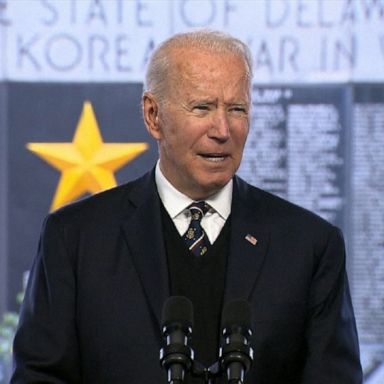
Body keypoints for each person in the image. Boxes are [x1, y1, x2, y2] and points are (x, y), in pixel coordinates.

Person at [12, 30, 362, 383]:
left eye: (237, 109)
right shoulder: (75, 239)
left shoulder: (310, 246)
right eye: (202, 108)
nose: (222, 129)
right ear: (153, 115)